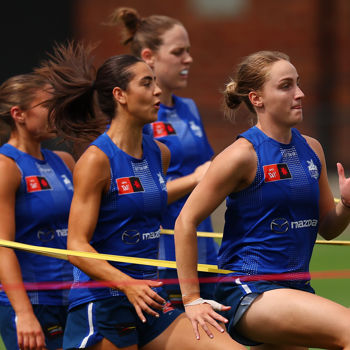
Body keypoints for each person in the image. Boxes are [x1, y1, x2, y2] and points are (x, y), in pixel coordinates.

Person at [36, 42, 245, 350]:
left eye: (155, 83)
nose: (157, 91)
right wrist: (126, 284)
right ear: (120, 95)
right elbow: (76, 247)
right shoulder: (97, 160)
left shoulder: (159, 153)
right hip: (104, 302)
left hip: (151, 300)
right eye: (147, 83)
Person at [174, 50, 350, 349]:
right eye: (286, 86)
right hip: (249, 289)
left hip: (296, 289)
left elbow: (328, 228)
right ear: (257, 99)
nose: (300, 94)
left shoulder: (313, 149)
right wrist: (192, 300)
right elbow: (185, 221)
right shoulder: (241, 155)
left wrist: (346, 204)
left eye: (298, 83)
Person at [109, 7, 218, 306]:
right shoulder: (136, 120)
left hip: (204, 245)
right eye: (178, 52)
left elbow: (211, 175)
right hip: (161, 254)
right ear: (149, 57)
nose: (189, 59)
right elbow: (139, 194)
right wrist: (196, 178)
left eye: (189, 51)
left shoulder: (190, 108)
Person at [0, 73, 75, 350]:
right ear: (18, 114)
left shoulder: (65, 161)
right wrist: (23, 313)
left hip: (73, 298)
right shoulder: (7, 166)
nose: (56, 112)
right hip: (33, 302)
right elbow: (2, 247)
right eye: (47, 105)